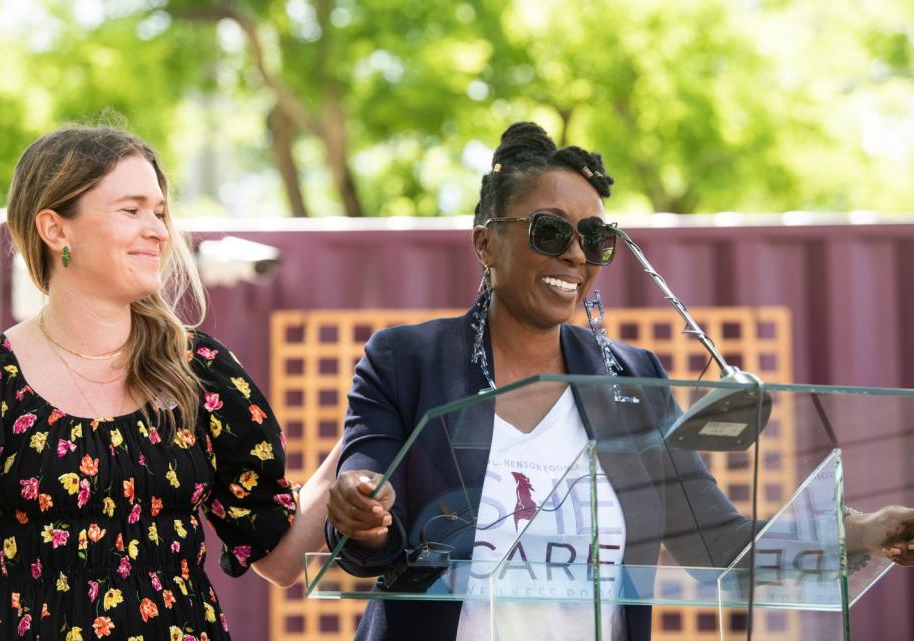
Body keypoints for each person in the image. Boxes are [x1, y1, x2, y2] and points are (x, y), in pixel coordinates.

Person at [326, 121, 914, 641]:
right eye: (551, 232)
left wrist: (859, 532)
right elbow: (366, 502)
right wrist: (362, 511)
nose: (577, 256)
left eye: (595, 239)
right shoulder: (408, 361)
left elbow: (718, 545)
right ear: (486, 241)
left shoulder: (633, 380)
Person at [0, 125, 336, 640]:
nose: (158, 230)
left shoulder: (200, 372)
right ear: (55, 229)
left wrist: (368, 442)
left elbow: (281, 560)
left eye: (159, 212)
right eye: (131, 210)